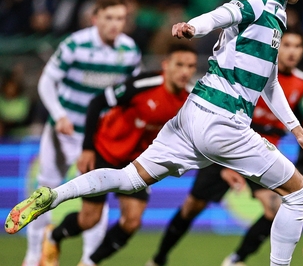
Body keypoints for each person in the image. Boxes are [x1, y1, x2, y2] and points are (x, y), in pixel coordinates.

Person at [5, 0, 303, 266]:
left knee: (129, 178)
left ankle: (55, 195)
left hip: (193, 114)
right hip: (224, 120)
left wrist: (298, 132)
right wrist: (193, 27)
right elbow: (225, 12)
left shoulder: (277, 14)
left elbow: (268, 82)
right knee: (299, 194)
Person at [145, 29, 303, 266]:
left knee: (275, 208)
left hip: (260, 152)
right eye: (287, 45)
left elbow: (294, 114)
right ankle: (159, 259)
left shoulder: (301, 83)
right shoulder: (254, 73)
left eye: (298, 46)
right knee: (192, 207)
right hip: (226, 144)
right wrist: (229, 164)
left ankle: (235, 259)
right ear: (275, 46)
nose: (292, 52)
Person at [39, 43, 197, 266]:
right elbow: (97, 103)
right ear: (166, 65)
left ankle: (90, 262)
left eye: (191, 66)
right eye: (179, 64)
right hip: (105, 151)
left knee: (132, 222)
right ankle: (53, 236)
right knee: (89, 220)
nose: (185, 71)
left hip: (136, 161)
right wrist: (87, 148)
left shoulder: (189, 100)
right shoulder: (144, 84)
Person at [19, 0, 141, 266]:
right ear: (95, 18)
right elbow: (46, 83)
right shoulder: (75, 44)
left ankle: (88, 260)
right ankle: (33, 256)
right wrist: (59, 115)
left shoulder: (130, 51)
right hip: (62, 132)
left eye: (120, 18)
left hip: (98, 137)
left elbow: (131, 97)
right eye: (109, 18)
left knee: (96, 197)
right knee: (44, 193)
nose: (115, 24)